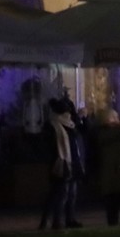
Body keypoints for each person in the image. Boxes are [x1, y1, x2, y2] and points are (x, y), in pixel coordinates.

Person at [38, 97, 86, 230]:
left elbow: (82, 131)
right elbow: (49, 145)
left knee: (70, 193)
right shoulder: (54, 125)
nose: (70, 113)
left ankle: (67, 219)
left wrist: (81, 118)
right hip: (60, 162)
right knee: (59, 193)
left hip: (71, 162)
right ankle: (54, 221)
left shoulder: (70, 124)